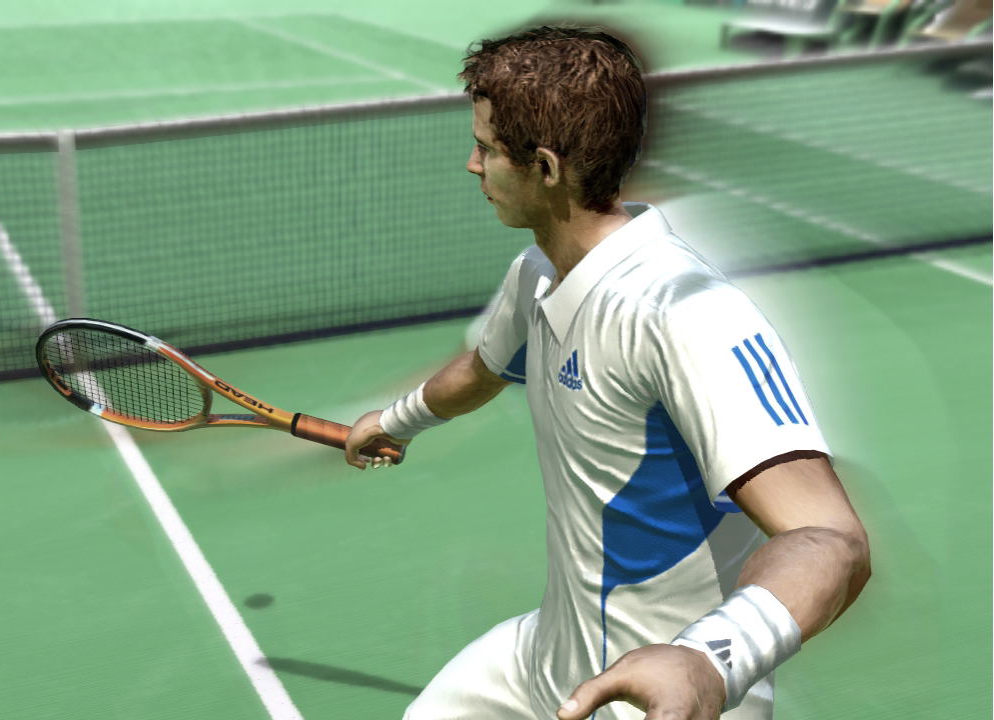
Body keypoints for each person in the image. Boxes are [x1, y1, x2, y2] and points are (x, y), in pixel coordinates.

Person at [343, 26, 872, 720]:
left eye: (487, 148)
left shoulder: (687, 315)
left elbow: (832, 539)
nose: (472, 165)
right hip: (547, 656)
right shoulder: (537, 274)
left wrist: (709, 660)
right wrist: (394, 422)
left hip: (660, 684)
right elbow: (483, 368)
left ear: (545, 167)